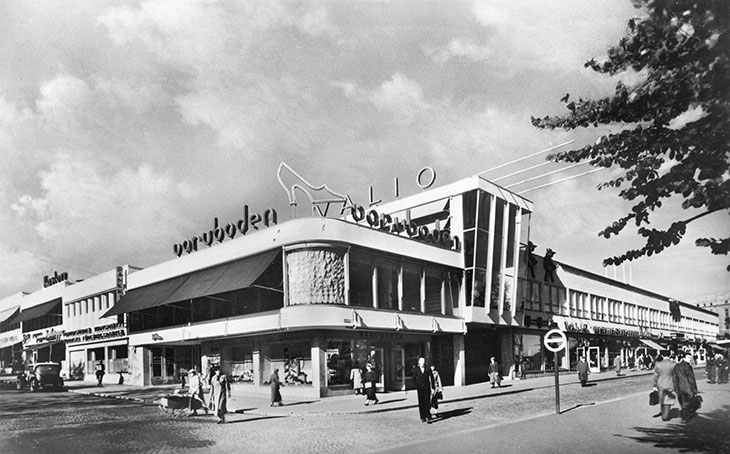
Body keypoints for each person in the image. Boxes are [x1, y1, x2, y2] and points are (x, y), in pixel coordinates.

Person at [673, 352, 699, 422]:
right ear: (684, 358)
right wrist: (695, 390)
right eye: (688, 358)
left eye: (690, 358)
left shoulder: (676, 366)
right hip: (688, 388)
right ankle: (686, 417)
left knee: (682, 403)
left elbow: (674, 379)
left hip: (680, 389)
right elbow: (691, 379)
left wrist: (676, 389)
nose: (690, 359)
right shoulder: (688, 367)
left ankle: (684, 416)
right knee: (688, 403)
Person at [653, 355, 677, 421]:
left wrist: (654, 385)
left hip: (660, 384)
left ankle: (663, 413)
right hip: (670, 384)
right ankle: (665, 415)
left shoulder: (658, 364)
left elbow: (655, 376)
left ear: (663, 356)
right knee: (668, 400)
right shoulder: (674, 364)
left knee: (662, 399)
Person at [413, 357, 433, 422]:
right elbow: (413, 379)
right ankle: (423, 417)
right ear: (419, 362)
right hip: (420, 389)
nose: (423, 363)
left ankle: (428, 416)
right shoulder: (416, 370)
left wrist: (433, 388)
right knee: (421, 402)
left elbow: (431, 378)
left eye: (424, 362)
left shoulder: (428, 369)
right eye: (421, 362)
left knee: (427, 401)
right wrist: (416, 385)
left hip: (427, 388)